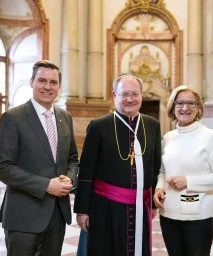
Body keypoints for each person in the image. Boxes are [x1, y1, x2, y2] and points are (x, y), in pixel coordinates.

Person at [0, 60, 79, 256]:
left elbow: (73, 159)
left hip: (57, 215)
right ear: (31, 82)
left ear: (59, 86)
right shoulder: (13, 117)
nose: (47, 87)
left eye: (53, 82)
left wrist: (70, 178)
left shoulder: (65, 117)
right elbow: (2, 167)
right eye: (41, 80)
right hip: (24, 215)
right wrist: (46, 185)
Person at [74, 73, 162, 256]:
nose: (130, 99)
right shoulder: (99, 126)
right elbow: (86, 172)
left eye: (135, 94)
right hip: (105, 208)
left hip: (140, 207)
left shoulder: (152, 125)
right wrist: (83, 210)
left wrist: (153, 204)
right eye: (124, 94)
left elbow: (154, 167)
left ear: (141, 95)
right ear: (115, 95)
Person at [153, 85, 213, 256]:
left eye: (190, 103)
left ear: (199, 108)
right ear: (173, 107)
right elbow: (162, 170)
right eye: (180, 103)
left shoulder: (210, 136)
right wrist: (159, 187)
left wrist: (188, 181)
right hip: (169, 214)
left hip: (198, 218)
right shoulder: (168, 137)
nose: (185, 108)